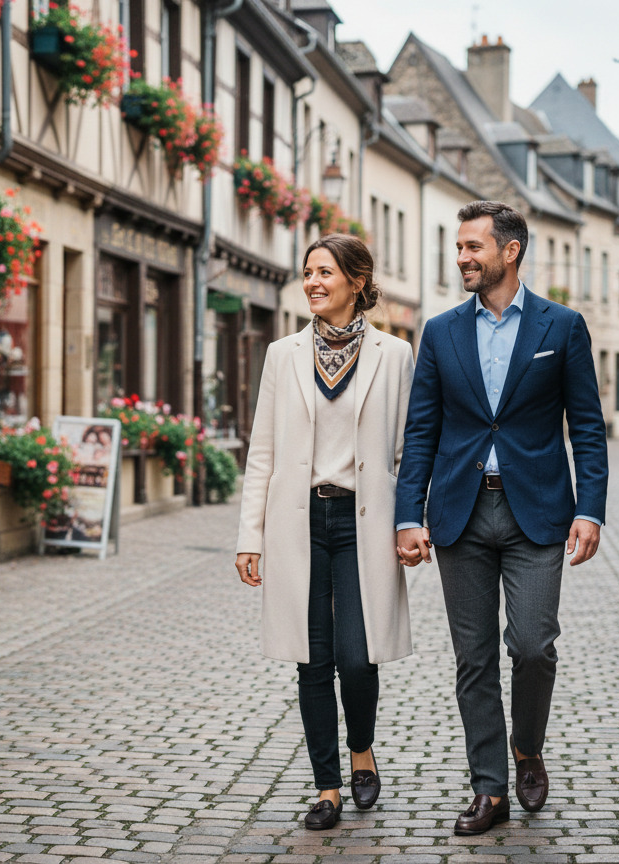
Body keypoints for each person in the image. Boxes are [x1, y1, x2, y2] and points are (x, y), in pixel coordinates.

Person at [395, 201, 608, 836]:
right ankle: (489, 789)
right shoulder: (440, 331)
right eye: (458, 248)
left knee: (534, 645)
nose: (461, 257)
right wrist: (409, 515)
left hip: (537, 512)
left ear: (509, 252)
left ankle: (528, 748)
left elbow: (588, 427)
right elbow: (421, 432)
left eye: (471, 247)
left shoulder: (562, 327)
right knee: (475, 658)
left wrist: (590, 508)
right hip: (460, 512)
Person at [235, 234, 414, 831]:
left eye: (324, 273)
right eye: (307, 273)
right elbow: (262, 451)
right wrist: (249, 536)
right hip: (299, 520)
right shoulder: (282, 355)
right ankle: (328, 785)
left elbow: (409, 451)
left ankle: (362, 751)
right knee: (311, 660)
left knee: (358, 657)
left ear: (357, 282)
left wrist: (414, 519)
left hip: (364, 521)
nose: (312, 282)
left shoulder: (394, 355)